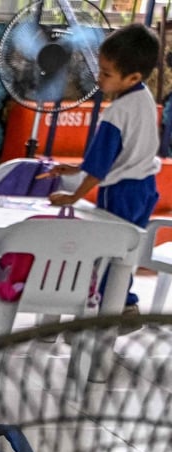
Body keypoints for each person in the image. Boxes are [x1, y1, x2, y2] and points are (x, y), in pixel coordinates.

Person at [46, 23, 161, 313]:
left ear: (132, 76)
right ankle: (125, 303)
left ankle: (111, 308)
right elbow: (121, 153)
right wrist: (74, 168)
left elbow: (99, 169)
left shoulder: (116, 112)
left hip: (120, 192)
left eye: (106, 74)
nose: (99, 79)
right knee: (124, 252)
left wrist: (73, 197)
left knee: (105, 250)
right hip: (145, 188)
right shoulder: (145, 100)